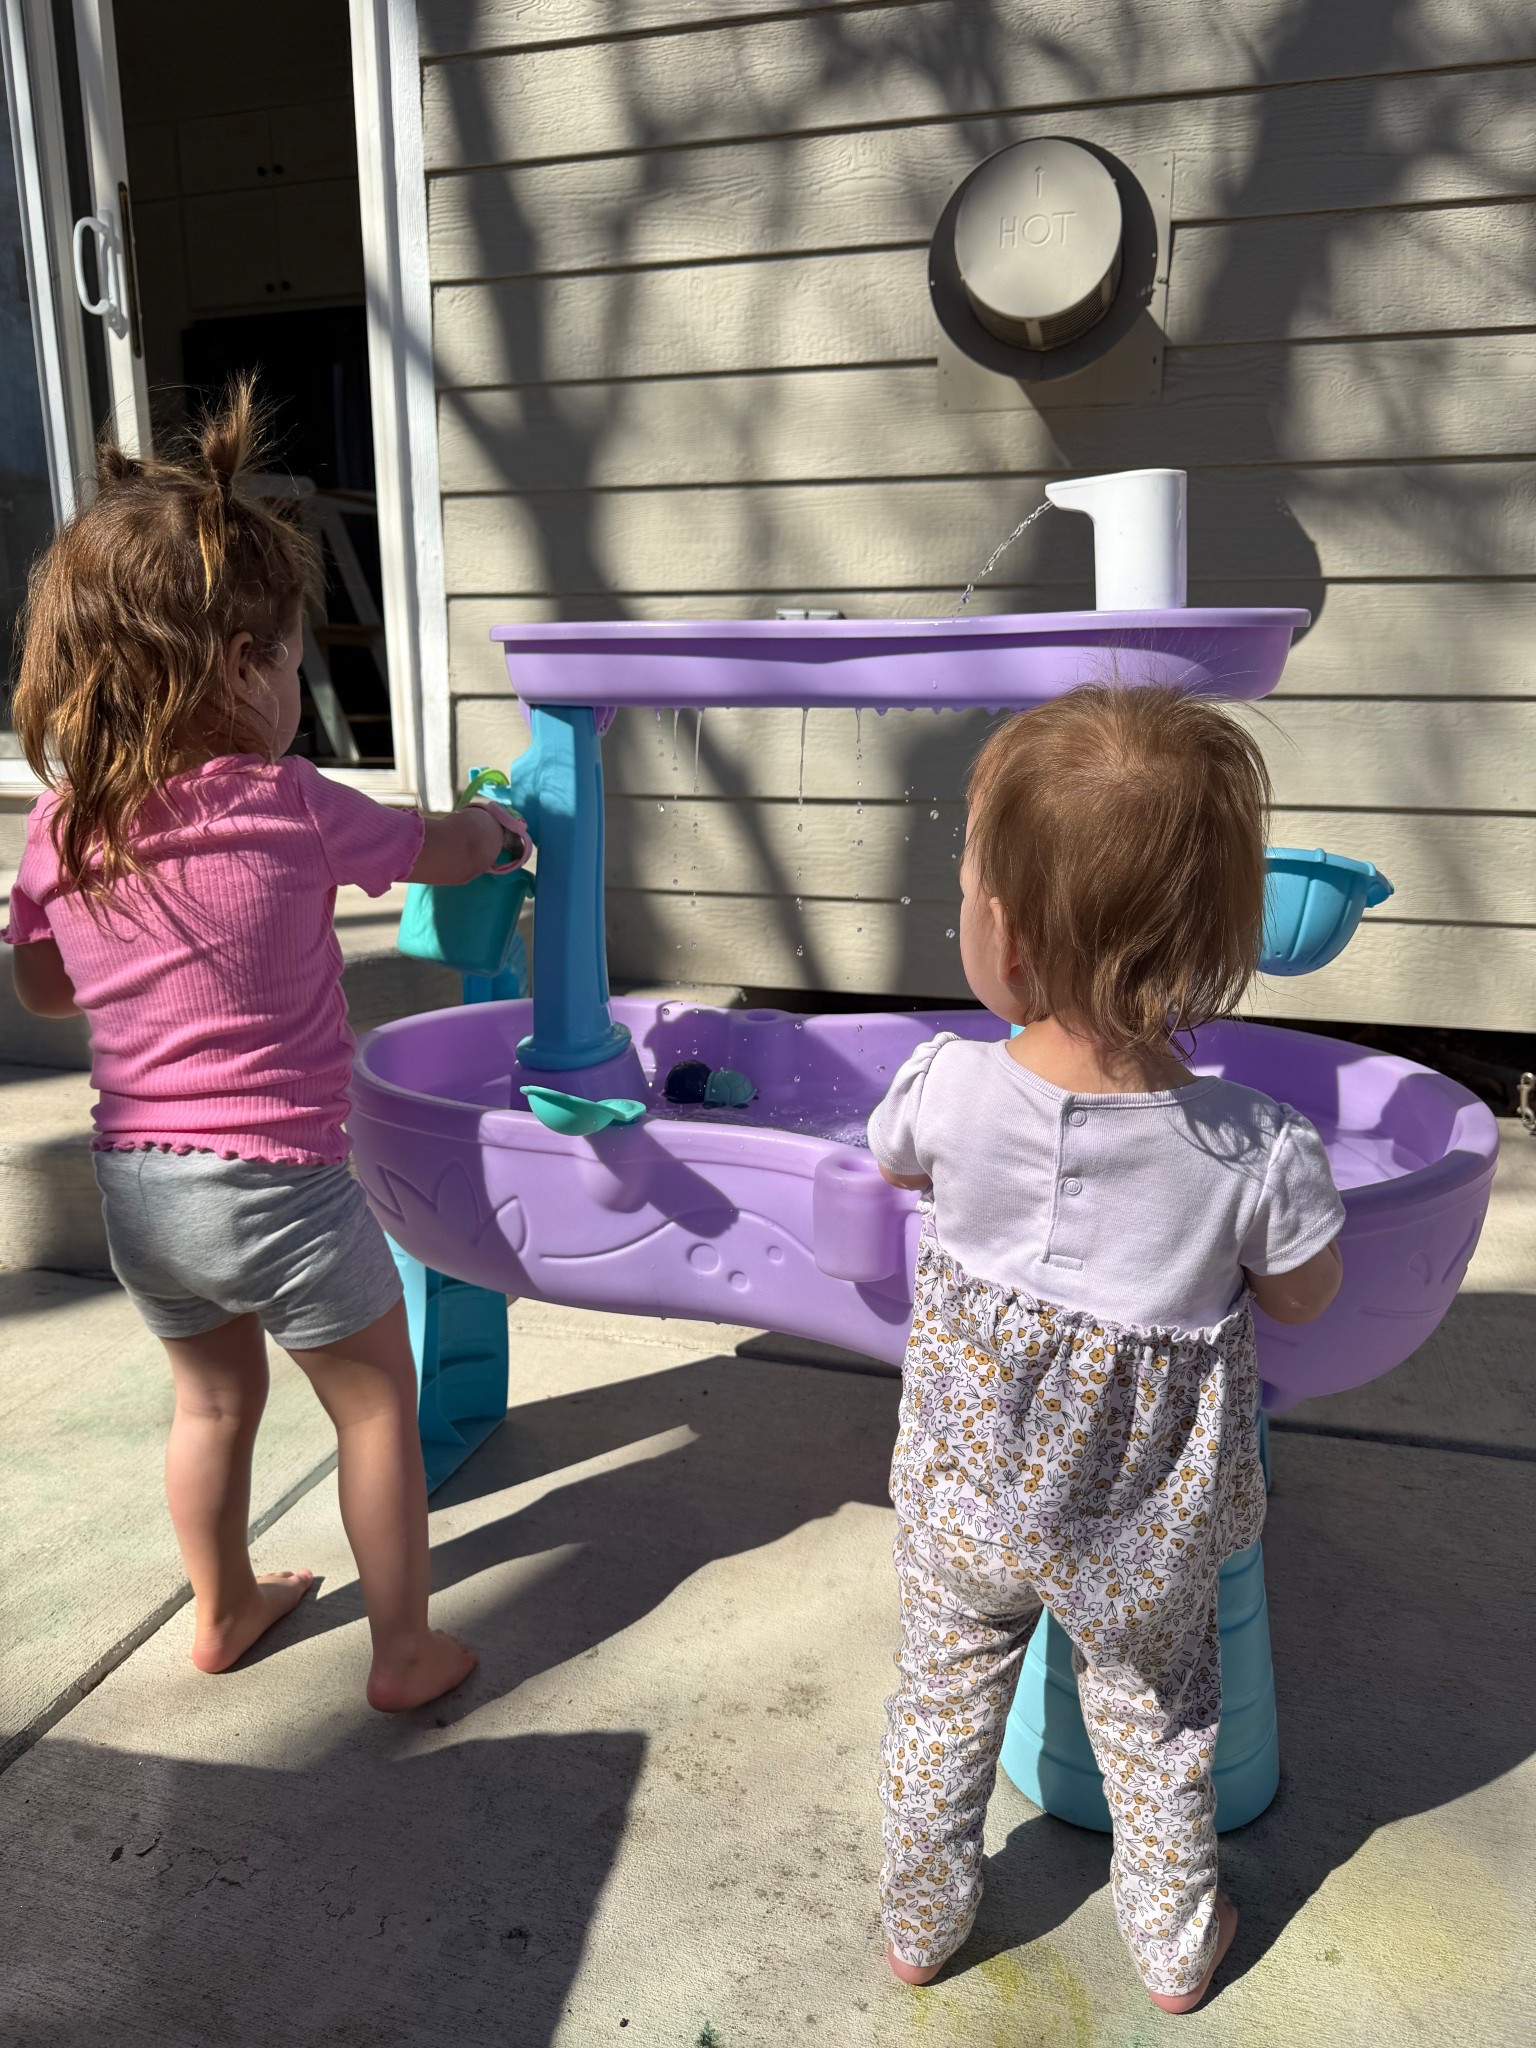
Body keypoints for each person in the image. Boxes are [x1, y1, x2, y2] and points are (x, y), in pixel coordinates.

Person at [3, 383, 528, 1712]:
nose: (297, 682)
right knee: (370, 1411)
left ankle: (225, 1609)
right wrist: (498, 832)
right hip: (284, 1187)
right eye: (292, 658)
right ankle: (404, 1651)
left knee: (211, 1407)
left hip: (141, 1192)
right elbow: (438, 848)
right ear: (236, 661)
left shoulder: (59, 831)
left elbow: (49, 992)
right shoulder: (293, 803)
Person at [867, 685, 1344, 2013]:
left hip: (970, 1510)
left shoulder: (945, 1088)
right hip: (1142, 1537)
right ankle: (1175, 1942)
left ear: (1003, 939)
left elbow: (894, 1163)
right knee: (1158, 1725)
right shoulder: (1255, 1148)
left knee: (939, 1710)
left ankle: (922, 1920)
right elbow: (1305, 1298)